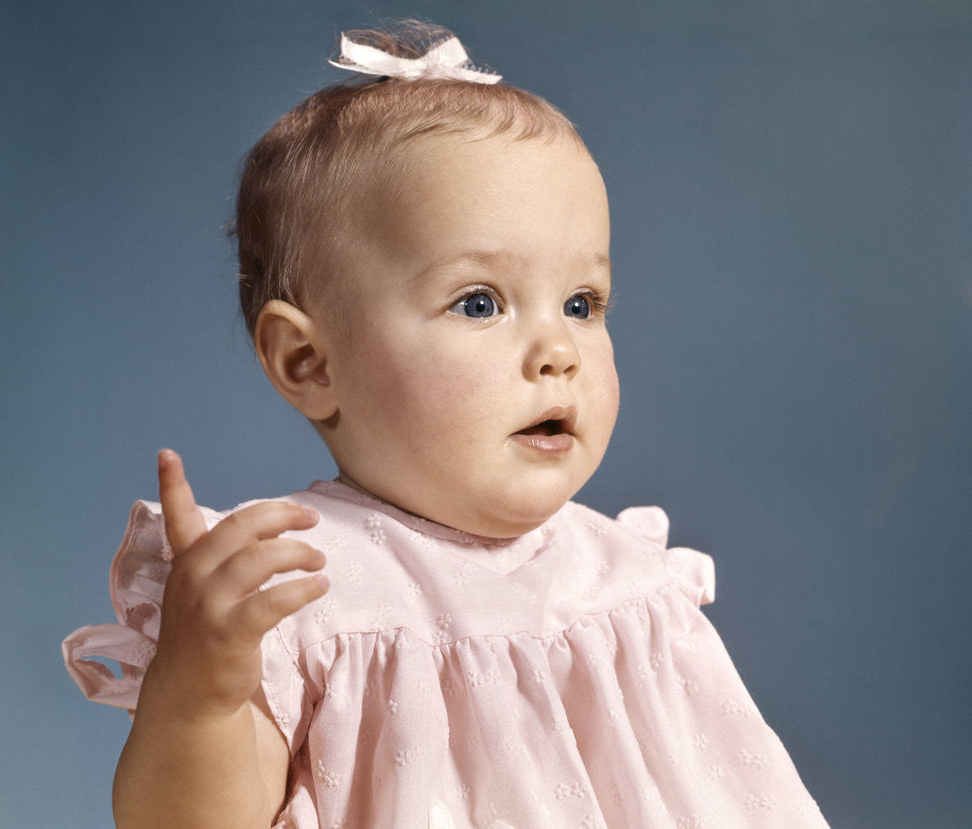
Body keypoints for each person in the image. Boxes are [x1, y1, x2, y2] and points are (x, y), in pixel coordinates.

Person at [63, 22, 828, 829]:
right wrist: (199, 695)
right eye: (480, 302)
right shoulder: (303, 594)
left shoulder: (632, 586)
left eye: (582, 304)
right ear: (309, 363)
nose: (558, 350)